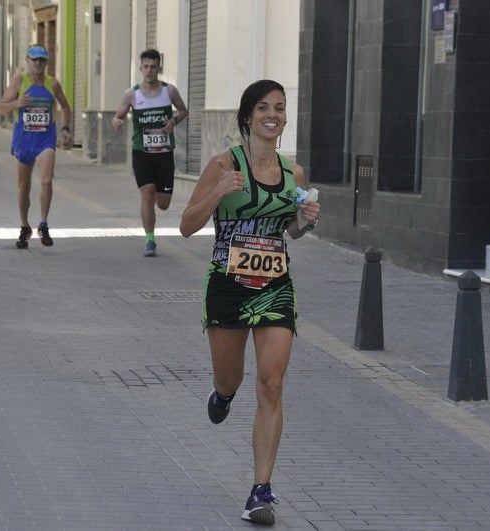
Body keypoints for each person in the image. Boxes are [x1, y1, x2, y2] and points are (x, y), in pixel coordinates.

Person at [179, 79, 321, 526]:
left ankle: (261, 491)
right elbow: (186, 225)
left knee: (272, 383)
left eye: (279, 107)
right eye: (263, 107)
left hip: (276, 285)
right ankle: (222, 394)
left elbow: (292, 232)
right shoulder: (223, 164)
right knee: (232, 376)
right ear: (247, 116)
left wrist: (305, 220)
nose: (272, 114)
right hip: (228, 285)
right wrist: (218, 193)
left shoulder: (293, 173)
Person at [112, 48, 188, 257]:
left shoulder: (169, 91)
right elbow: (118, 115)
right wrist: (116, 120)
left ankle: (155, 198)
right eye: (146, 67)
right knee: (146, 194)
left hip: (164, 153)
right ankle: (150, 240)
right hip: (142, 153)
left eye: (153, 67)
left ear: (159, 69)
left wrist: (174, 121)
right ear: (140, 68)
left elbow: (183, 110)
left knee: (163, 204)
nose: (149, 70)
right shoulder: (132, 94)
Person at [0, 44, 72, 249]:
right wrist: (16, 104)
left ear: (46, 62)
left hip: (45, 140)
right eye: (34, 60)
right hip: (23, 140)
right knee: (24, 187)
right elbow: (0, 107)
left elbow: (65, 105)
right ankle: (24, 226)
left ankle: (43, 224)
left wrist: (65, 128)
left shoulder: (52, 84)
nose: (38, 64)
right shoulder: (20, 81)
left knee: (46, 181)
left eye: (42, 60)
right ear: (27, 60)